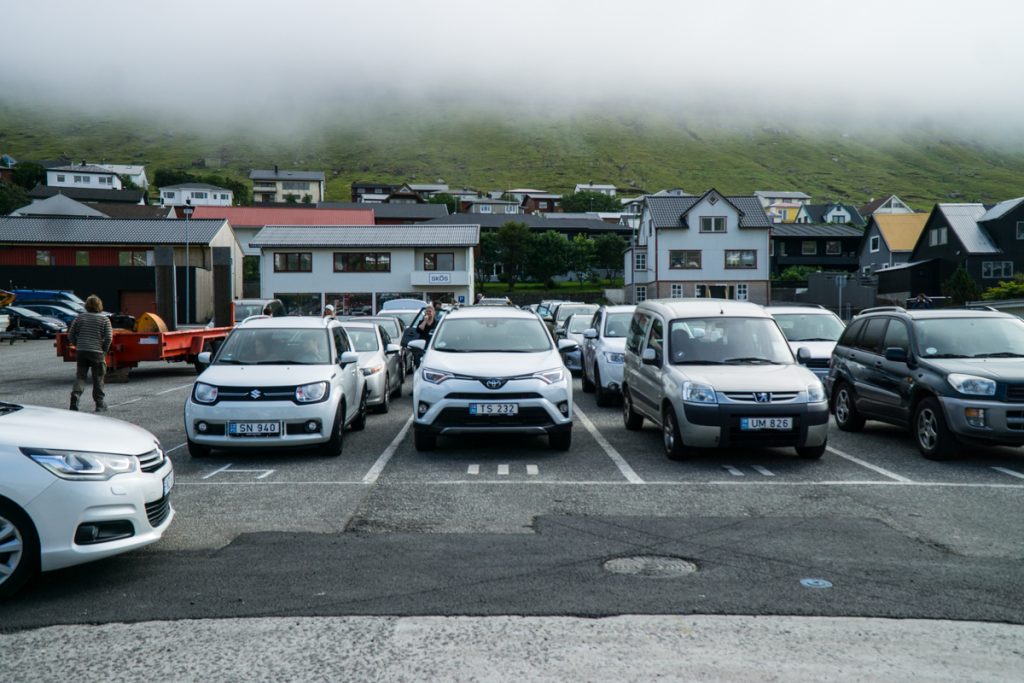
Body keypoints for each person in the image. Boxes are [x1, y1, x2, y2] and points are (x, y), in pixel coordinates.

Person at [68, 294, 113, 412]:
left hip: (81, 352)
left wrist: (78, 345)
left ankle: (75, 397)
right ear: (100, 305)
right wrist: (104, 351)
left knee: (80, 377)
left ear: (87, 305)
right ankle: (99, 404)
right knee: (98, 378)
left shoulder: (80, 318)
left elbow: (71, 335)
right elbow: (108, 338)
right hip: (96, 352)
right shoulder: (104, 319)